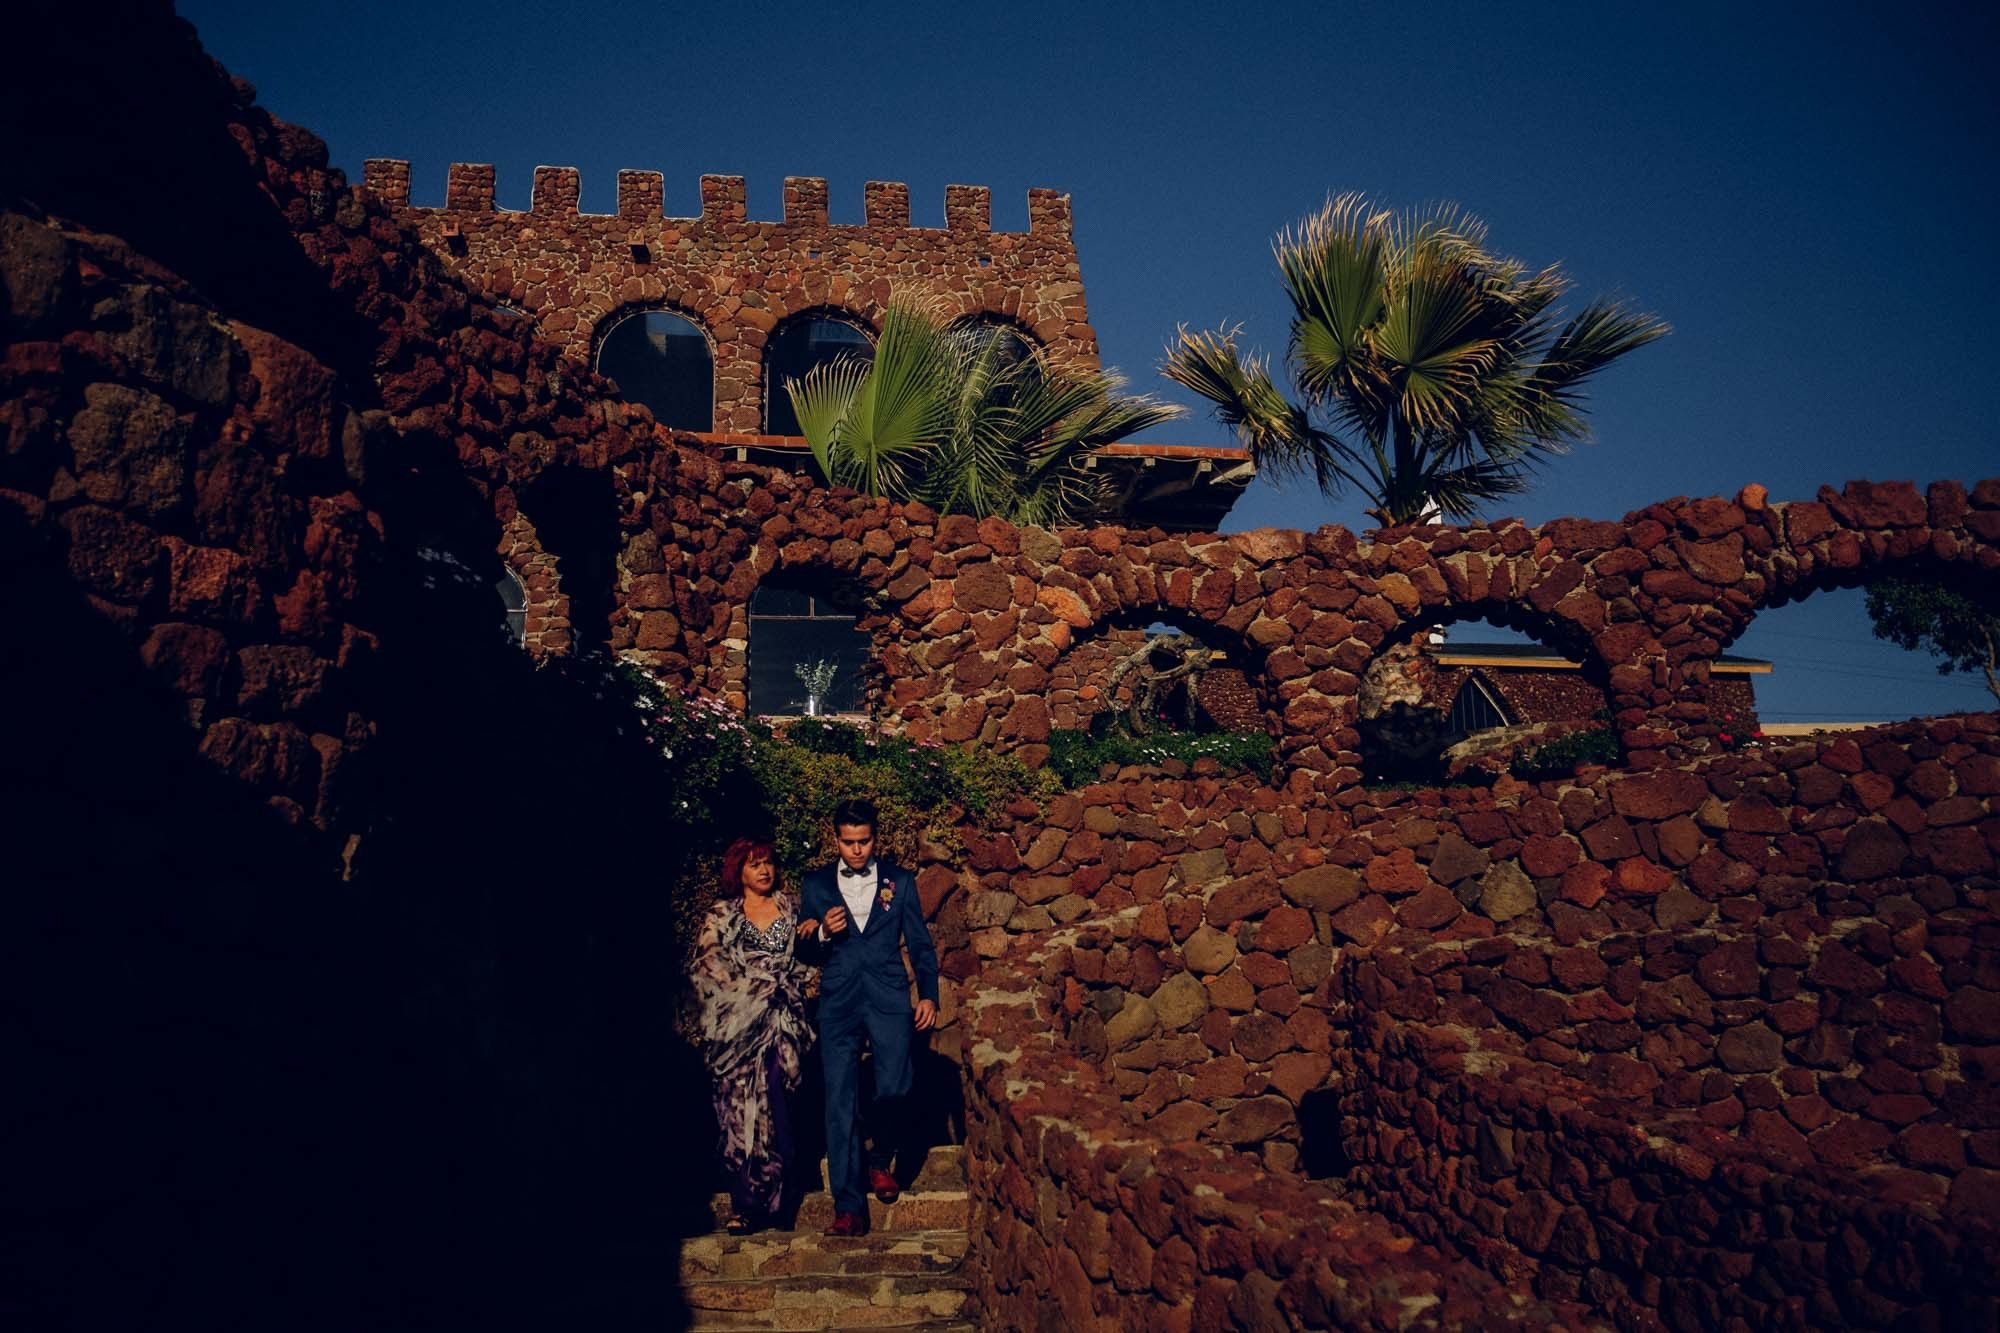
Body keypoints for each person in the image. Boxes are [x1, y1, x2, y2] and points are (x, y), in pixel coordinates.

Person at [799, 798, 939, 1237]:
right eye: (848, 842)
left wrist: (929, 995)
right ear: (836, 839)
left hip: (890, 998)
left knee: (895, 1085)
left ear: (875, 839)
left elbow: (919, 944)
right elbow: (803, 948)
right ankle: (848, 1207)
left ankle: (880, 1159)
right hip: (839, 1001)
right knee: (839, 1101)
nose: (856, 850)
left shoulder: (900, 882)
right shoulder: (816, 885)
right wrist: (822, 931)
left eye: (863, 842)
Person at [690, 835, 821, 1235]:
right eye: (754, 864)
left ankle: (779, 1200)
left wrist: (811, 943)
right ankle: (744, 1206)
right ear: (739, 872)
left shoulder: (793, 906)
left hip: (782, 1022)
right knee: (737, 1111)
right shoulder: (722, 913)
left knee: (778, 1104)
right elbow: (708, 963)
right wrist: (755, 988)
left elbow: (810, 956)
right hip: (737, 1028)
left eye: (768, 863)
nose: (764, 871)